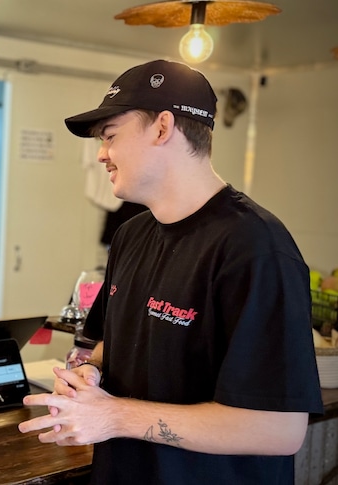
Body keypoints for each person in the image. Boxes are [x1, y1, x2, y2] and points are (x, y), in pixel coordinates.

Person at [18, 59, 323, 484]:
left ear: (162, 128)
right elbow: (110, 343)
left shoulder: (256, 248)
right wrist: (92, 373)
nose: (102, 154)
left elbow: (280, 429)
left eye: (110, 136)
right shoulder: (131, 235)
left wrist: (114, 416)